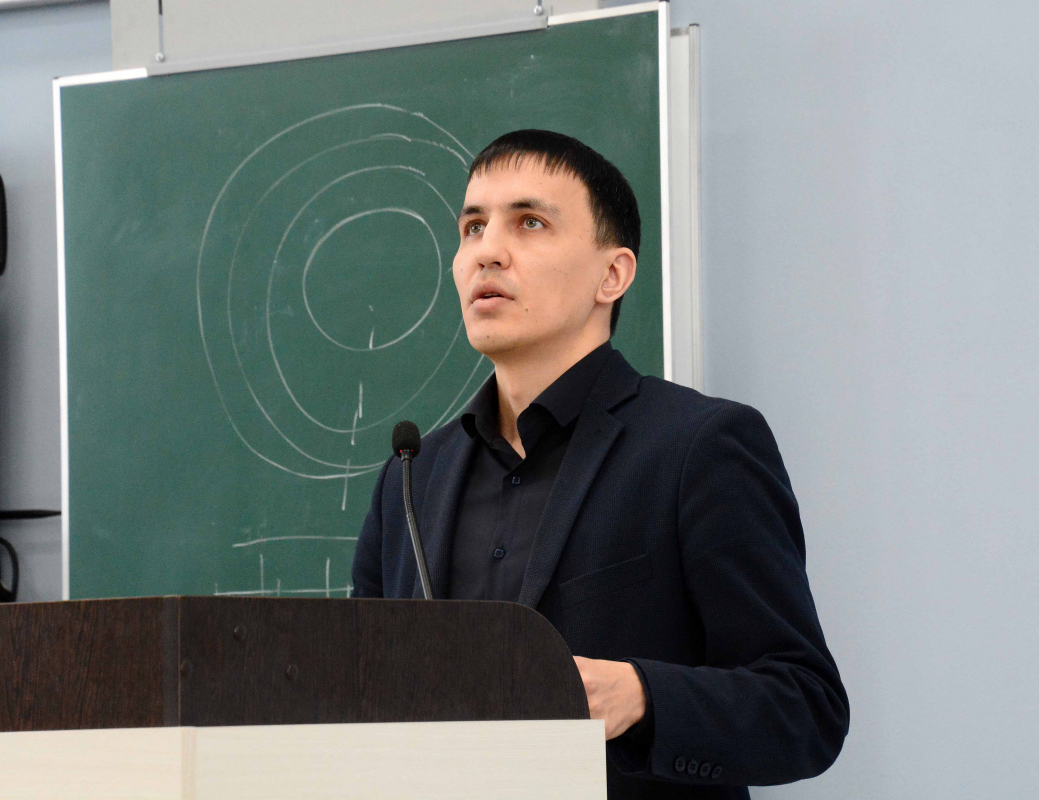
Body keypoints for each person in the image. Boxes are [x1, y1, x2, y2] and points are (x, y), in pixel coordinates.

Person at [352, 129, 849, 798]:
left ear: (611, 275)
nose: (487, 251)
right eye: (472, 227)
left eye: (529, 223)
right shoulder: (411, 477)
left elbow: (805, 708)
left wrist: (643, 696)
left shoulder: (698, 446)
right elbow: (356, 700)